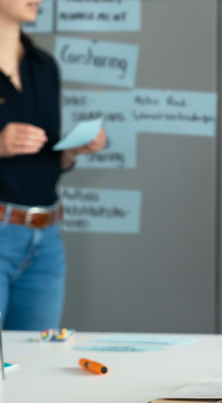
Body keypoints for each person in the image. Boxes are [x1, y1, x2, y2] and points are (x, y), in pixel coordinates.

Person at [0, 0, 106, 330]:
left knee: (35, 363)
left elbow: (47, 162)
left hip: (46, 240)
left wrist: (73, 151)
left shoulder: (44, 66)